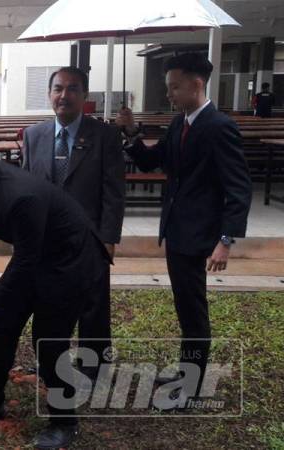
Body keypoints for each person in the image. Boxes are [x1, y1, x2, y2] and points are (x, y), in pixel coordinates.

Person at [0, 128, 109, 449]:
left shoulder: (20, 196)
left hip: (70, 263)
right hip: (40, 257)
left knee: (48, 341)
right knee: (2, 326)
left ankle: (64, 422)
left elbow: (24, 262)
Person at [116, 53, 252, 403]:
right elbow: (150, 163)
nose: (170, 94)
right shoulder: (180, 123)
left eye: (175, 87)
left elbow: (238, 187)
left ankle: (190, 388)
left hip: (199, 236)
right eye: (168, 87)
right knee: (185, 306)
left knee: (193, 311)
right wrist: (131, 131)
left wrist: (225, 240)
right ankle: (185, 372)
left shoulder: (219, 126)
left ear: (196, 83)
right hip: (176, 231)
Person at [22, 66, 125, 378]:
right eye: (58, 88)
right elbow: (26, 188)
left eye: (72, 89)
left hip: (90, 238)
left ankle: (94, 368)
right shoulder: (33, 135)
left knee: (93, 305)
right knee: (47, 299)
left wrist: (108, 237)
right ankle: (50, 362)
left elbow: (113, 191)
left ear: (85, 95)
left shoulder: (105, 136)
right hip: (45, 237)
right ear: (50, 93)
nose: (63, 95)